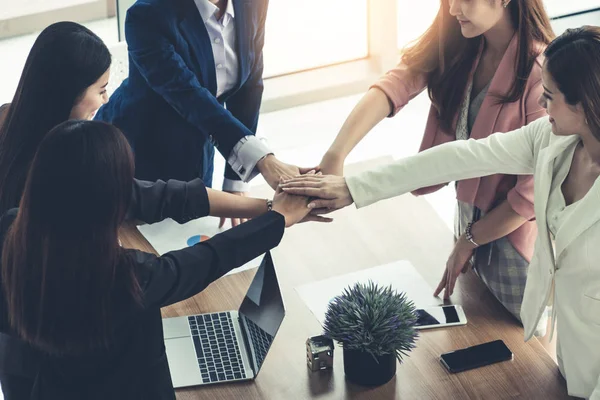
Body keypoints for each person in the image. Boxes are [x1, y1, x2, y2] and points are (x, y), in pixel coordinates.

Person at [280, 26, 600, 399]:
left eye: (549, 97)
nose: (542, 106)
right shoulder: (551, 139)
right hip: (573, 355)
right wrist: (353, 187)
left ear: (584, 104)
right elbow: (463, 156)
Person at [0, 120, 311, 399]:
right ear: (108, 199)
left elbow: (162, 198)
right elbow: (208, 258)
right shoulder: (124, 277)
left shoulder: (13, 233)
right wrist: (278, 219)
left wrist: (272, 210)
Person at [315, 0, 555, 329]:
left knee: (524, 343)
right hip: (468, 220)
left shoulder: (540, 71)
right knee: (469, 328)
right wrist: (335, 155)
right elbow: (394, 84)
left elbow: (532, 193)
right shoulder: (462, 42)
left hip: (514, 238)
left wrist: (471, 239)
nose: (453, 9)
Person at [0, 21, 328, 225]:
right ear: (66, 90)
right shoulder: (71, 161)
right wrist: (273, 212)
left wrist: (265, 206)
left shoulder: (9, 119)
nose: (105, 101)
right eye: (101, 90)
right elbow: (157, 198)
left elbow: (163, 195)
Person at [96, 0, 311, 227]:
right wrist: (262, 159)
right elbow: (188, 95)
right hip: (138, 152)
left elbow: (250, 85)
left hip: (198, 152)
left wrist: (235, 182)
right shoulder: (147, 15)